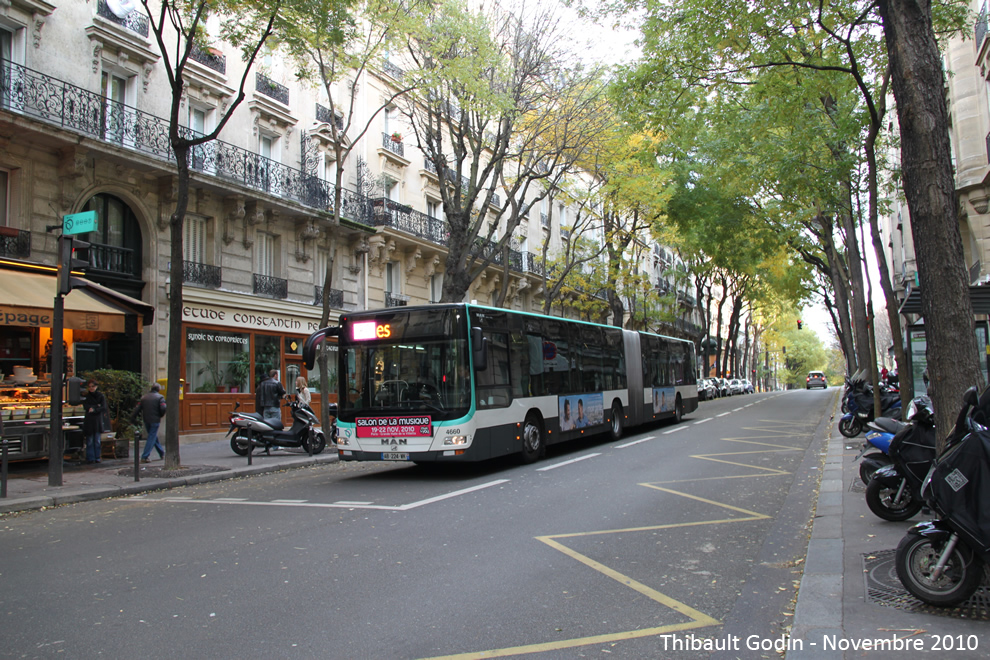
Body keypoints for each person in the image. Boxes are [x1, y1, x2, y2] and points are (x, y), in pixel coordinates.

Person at [134, 383, 166, 463]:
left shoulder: (144, 397)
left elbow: (137, 409)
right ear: (158, 389)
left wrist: (132, 418)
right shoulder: (160, 397)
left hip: (146, 420)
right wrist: (160, 415)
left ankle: (161, 453)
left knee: (153, 436)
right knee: (151, 437)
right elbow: (163, 408)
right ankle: (145, 456)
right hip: (155, 420)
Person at [82, 379, 107, 464]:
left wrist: (94, 409)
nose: (91, 388)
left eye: (93, 386)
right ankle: (91, 457)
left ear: (96, 387)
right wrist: (96, 406)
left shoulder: (100, 396)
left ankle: (97, 457)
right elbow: (85, 406)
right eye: (89, 387)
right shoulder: (87, 396)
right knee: (89, 440)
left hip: (97, 420)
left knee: (96, 440)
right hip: (89, 420)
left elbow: (103, 407)